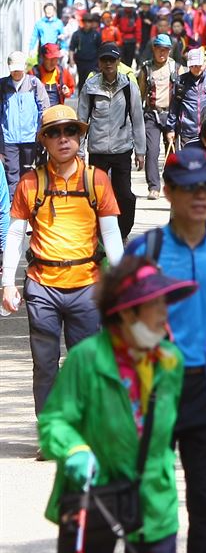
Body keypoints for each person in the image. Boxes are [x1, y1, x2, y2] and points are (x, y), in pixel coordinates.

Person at [126, 148, 206, 553]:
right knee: (146, 498)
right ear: (167, 191)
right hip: (152, 389)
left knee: (205, 500)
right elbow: (117, 325)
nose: (199, 196)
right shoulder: (145, 250)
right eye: (188, 188)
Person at [38, 257, 196, 553]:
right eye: (155, 305)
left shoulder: (171, 360)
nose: (165, 313)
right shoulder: (86, 358)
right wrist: (73, 450)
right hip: (92, 493)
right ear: (126, 313)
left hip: (153, 496)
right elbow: (55, 421)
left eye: (166, 303)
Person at [1, 105, 123, 418]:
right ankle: (50, 432)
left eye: (70, 131)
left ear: (80, 137)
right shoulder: (30, 183)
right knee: (44, 366)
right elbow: (15, 236)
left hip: (88, 286)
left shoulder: (97, 180)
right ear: (44, 140)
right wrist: (7, 285)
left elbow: (111, 237)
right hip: (42, 287)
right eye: (54, 133)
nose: (63, 139)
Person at [78, 43, 146, 242]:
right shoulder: (90, 87)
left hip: (122, 149)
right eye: (104, 60)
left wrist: (140, 151)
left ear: (118, 62)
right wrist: (79, 151)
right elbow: (82, 120)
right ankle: (97, 236)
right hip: (97, 149)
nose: (108, 64)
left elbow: (137, 119)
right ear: (99, 62)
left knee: (124, 195)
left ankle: (122, 233)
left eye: (112, 60)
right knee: (95, 195)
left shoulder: (128, 86)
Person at [0, 50, 49, 197]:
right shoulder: (3, 85)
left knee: (27, 173)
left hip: (30, 137)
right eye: (13, 69)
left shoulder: (34, 84)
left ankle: (27, 201)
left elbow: (44, 109)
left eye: (18, 69)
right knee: (11, 174)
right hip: (9, 139)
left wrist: (43, 133)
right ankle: (13, 205)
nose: (16, 72)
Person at [138, 34, 178, 201]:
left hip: (171, 114)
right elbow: (139, 93)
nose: (162, 53)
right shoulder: (146, 69)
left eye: (166, 50)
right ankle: (154, 187)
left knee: (172, 153)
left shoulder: (176, 68)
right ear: (153, 49)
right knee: (152, 151)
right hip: (151, 114)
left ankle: (172, 185)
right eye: (159, 49)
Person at [165, 47, 206, 149]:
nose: (196, 68)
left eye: (199, 65)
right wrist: (170, 128)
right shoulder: (180, 82)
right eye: (193, 65)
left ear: (204, 63)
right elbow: (174, 107)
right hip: (187, 133)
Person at [30, 43, 76, 108]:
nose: (53, 62)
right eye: (50, 59)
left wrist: (68, 92)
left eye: (55, 59)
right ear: (43, 57)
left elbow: (72, 88)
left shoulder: (63, 72)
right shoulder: (33, 73)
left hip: (56, 113)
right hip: (38, 112)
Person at [69, 12, 102, 89]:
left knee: (92, 81)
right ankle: (81, 98)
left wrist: (100, 62)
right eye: (85, 21)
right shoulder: (77, 34)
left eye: (89, 21)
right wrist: (71, 60)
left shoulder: (96, 35)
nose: (87, 24)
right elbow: (72, 48)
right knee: (82, 81)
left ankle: (91, 99)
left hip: (93, 62)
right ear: (83, 22)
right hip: (81, 61)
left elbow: (100, 49)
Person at [114, 0, 142, 68]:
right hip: (121, 40)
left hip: (131, 41)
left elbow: (138, 29)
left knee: (129, 60)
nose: (128, 8)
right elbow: (114, 25)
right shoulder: (120, 13)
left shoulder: (135, 15)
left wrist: (138, 42)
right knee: (120, 59)